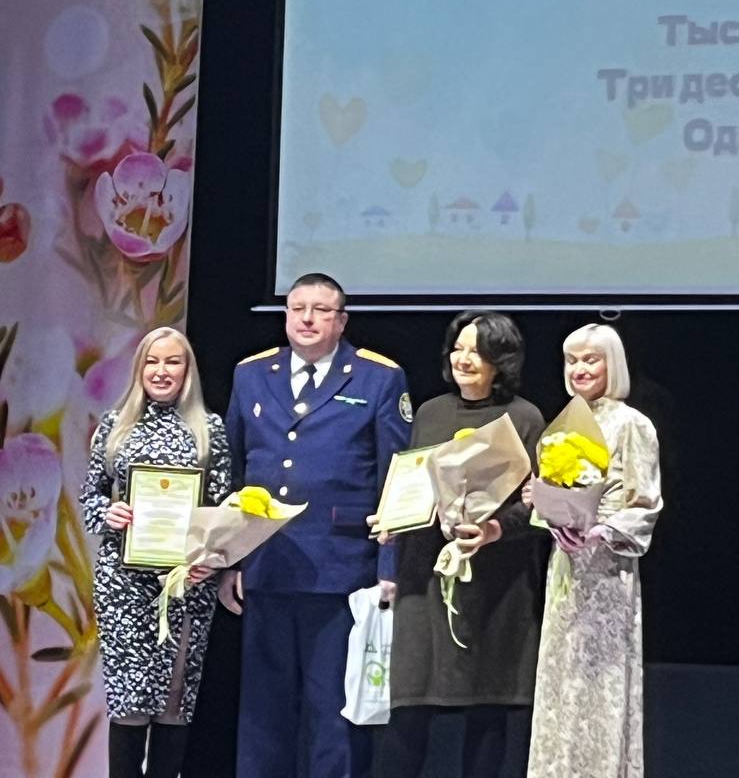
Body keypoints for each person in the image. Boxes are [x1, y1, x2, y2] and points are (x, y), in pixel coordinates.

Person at [220, 271, 412, 778]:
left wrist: (388, 567)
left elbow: (396, 479)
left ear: (341, 321)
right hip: (266, 566)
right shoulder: (251, 374)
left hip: (341, 569)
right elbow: (235, 470)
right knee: (263, 715)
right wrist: (229, 560)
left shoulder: (378, 377)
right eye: (297, 308)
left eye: (321, 310)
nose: (306, 319)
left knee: (333, 714)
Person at [380, 311, 547, 778]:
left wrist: (495, 529)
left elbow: (540, 507)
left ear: (501, 360)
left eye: (477, 351)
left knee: (488, 709)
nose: (463, 359)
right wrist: (393, 518)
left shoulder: (526, 417)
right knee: (410, 706)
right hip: (426, 578)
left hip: (498, 586)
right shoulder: (430, 413)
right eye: (458, 349)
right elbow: (414, 484)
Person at [80, 326, 232, 778]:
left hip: (185, 585)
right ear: (139, 368)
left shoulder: (210, 429)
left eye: (173, 362)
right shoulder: (114, 425)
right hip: (122, 583)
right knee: (128, 700)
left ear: (188, 371)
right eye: (152, 361)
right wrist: (108, 512)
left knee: (173, 701)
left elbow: (222, 509)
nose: (161, 371)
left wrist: (210, 560)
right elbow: (90, 497)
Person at [526, 323, 663, 778]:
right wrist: (546, 511)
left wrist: (603, 531)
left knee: (600, 680)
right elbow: (552, 497)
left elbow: (645, 503)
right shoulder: (561, 427)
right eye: (572, 361)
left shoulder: (632, 424)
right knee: (560, 680)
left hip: (607, 572)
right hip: (566, 568)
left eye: (591, 359)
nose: (579, 369)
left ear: (612, 365)